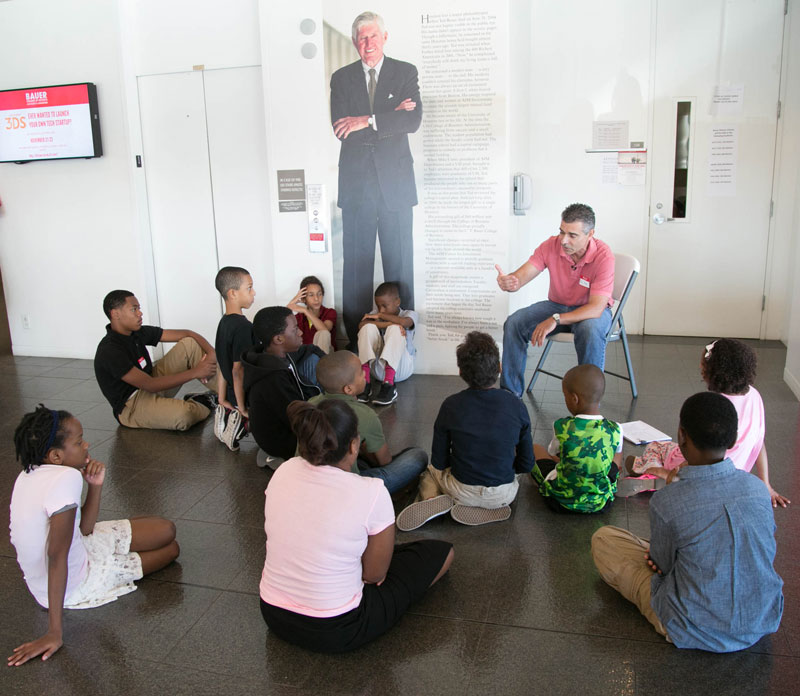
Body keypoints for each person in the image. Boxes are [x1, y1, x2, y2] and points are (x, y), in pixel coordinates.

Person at [591, 392, 784, 652]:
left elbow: (661, 566)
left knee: (604, 540)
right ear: (733, 438)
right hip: (761, 619)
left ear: (681, 436)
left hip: (690, 626)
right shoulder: (757, 489)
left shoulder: (667, 501)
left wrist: (659, 555)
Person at [259, 399, 453, 653]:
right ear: (353, 446)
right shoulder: (371, 492)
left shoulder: (284, 471)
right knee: (441, 552)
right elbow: (373, 576)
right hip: (339, 628)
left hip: (274, 614)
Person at [8, 405, 179, 667]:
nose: (86, 444)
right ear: (55, 456)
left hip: (62, 564)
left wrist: (95, 486)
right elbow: (56, 555)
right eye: (78, 442)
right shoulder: (65, 478)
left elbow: (83, 530)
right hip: (74, 584)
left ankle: (115, 553)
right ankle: (108, 568)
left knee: (166, 529)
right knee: (171, 549)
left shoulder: (29, 472)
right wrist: (55, 631)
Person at [331, 10, 422, 348]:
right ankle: (358, 346)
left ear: (385, 38)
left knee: (400, 266)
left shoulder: (404, 72)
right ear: (356, 42)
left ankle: (403, 341)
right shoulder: (341, 79)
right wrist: (388, 118)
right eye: (362, 38)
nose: (368, 43)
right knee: (356, 268)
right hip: (357, 189)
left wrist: (366, 120)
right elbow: (341, 128)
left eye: (373, 36)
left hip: (396, 188)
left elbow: (412, 121)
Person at [619, 338, 790, 506]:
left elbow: (699, 452)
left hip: (697, 471)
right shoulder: (754, 396)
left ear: (711, 374)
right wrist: (765, 484)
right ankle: (672, 478)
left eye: (703, 367)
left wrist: (677, 471)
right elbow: (759, 443)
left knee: (656, 447)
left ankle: (659, 474)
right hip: (732, 477)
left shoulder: (715, 407)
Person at [396, 332, 534, 531]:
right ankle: (492, 505)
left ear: (460, 372)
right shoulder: (516, 404)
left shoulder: (451, 405)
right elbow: (526, 463)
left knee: (430, 472)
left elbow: (439, 462)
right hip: (503, 493)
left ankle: (432, 498)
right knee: (509, 462)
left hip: (462, 489)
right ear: (500, 369)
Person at [496, 203, 614, 397]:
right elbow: (520, 278)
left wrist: (556, 319)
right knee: (514, 323)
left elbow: (596, 309)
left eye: (572, 235)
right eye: (561, 232)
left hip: (589, 310)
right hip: (558, 305)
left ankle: (589, 404)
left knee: (590, 330)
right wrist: (510, 282)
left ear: (590, 234)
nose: (564, 240)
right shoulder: (551, 245)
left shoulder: (604, 255)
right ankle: (510, 395)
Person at [94, 290, 217, 431]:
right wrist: (196, 372)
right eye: (134, 309)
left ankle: (232, 398)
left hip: (152, 382)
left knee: (189, 344)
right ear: (115, 314)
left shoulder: (136, 332)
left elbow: (188, 334)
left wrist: (211, 352)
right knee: (184, 416)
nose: (140, 313)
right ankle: (204, 403)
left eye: (139, 308)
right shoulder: (109, 350)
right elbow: (150, 385)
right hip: (133, 405)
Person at [311, 351, 427, 494]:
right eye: (361, 372)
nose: (366, 375)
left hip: (310, 480)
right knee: (417, 456)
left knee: (360, 458)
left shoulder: (309, 405)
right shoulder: (364, 415)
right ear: (348, 389)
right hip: (347, 487)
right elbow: (384, 461)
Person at [531, 364, 622, 513]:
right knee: (617, 452)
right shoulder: (615, 428)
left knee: (535, 449)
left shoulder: (562, 426)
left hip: (561, 501)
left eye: (565, 396)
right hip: (600, 503)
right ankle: (610, 476)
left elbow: (553, 454)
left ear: (574, 399)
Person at [242, 306, 320, 468]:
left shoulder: (275, 353)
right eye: (295, 329)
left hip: (283, 424)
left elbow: (309, 349)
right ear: (278, 339)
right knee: (342, 440)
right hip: (280, 441)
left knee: (314, 359)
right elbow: (296, 418)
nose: (300, 333)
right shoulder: (272, 378)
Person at [213, 266, 255, 452]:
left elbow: (223, 362)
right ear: (233, 293)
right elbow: (237, 371)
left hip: (230, 392)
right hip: (244, 394)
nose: (253, 293)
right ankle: (241, 425)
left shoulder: (224, 322)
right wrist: (242, 407)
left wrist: (222, 398)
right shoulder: (243, 328)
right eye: (249, 288)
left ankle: (226, 414)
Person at [357, 281, 418, 405]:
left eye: (385, 306)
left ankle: (389, 386)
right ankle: (365, 383)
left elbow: (405, 323)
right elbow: (361, 325)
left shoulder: (409, 314)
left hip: (402, 368)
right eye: (378, 306)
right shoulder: (375, 314)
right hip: (378, 371)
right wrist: (388, 323)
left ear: (397, 302)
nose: (381, 310)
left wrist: (381, 317)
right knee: (367, 328)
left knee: (396, 329)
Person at [287, 275, 337, 354]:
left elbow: (325, 330)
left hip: (327, 359)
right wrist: (290, 305)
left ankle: (321, 366)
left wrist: (305, 311)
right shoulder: (297, 318)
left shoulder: (330, 312)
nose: (316, 298)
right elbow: (281, 329)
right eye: (311, 295)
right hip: (305, 357)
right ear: (303, 298)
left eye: (319, 294)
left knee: (323, 333)